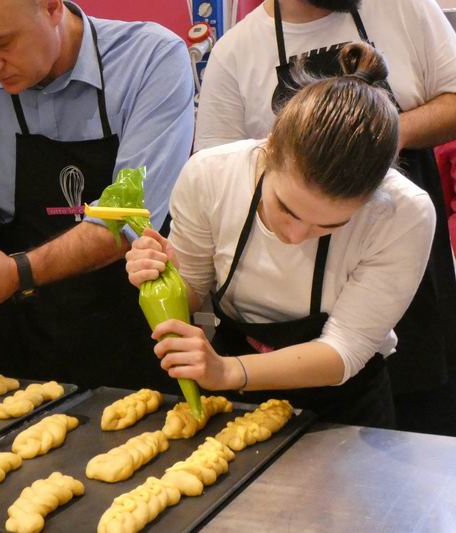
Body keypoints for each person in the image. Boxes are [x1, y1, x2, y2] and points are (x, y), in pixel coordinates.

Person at [127, 43, 436, 428]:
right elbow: (191, 290)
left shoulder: (404, 214)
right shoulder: (210, 176)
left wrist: (228, 371)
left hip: (343, 407)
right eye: (286, 209)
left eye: (330, 226)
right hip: (235, 395)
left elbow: (344, 349)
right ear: (269, 148)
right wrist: (161, 276)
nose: (295, 235)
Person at [194, 0, 456, 435]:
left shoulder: (404, 7)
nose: (302, 229)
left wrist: (365, 143)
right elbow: (215, 179)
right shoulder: (237, 52)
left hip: (398, 259)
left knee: (416, 426)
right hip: (277, 294)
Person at [0, 0, 195, 389]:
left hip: (140, 343)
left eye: (1, 42)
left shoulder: (150, 60)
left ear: (52, 7)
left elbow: (128, 219)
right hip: (25, 358)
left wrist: (17, 272)